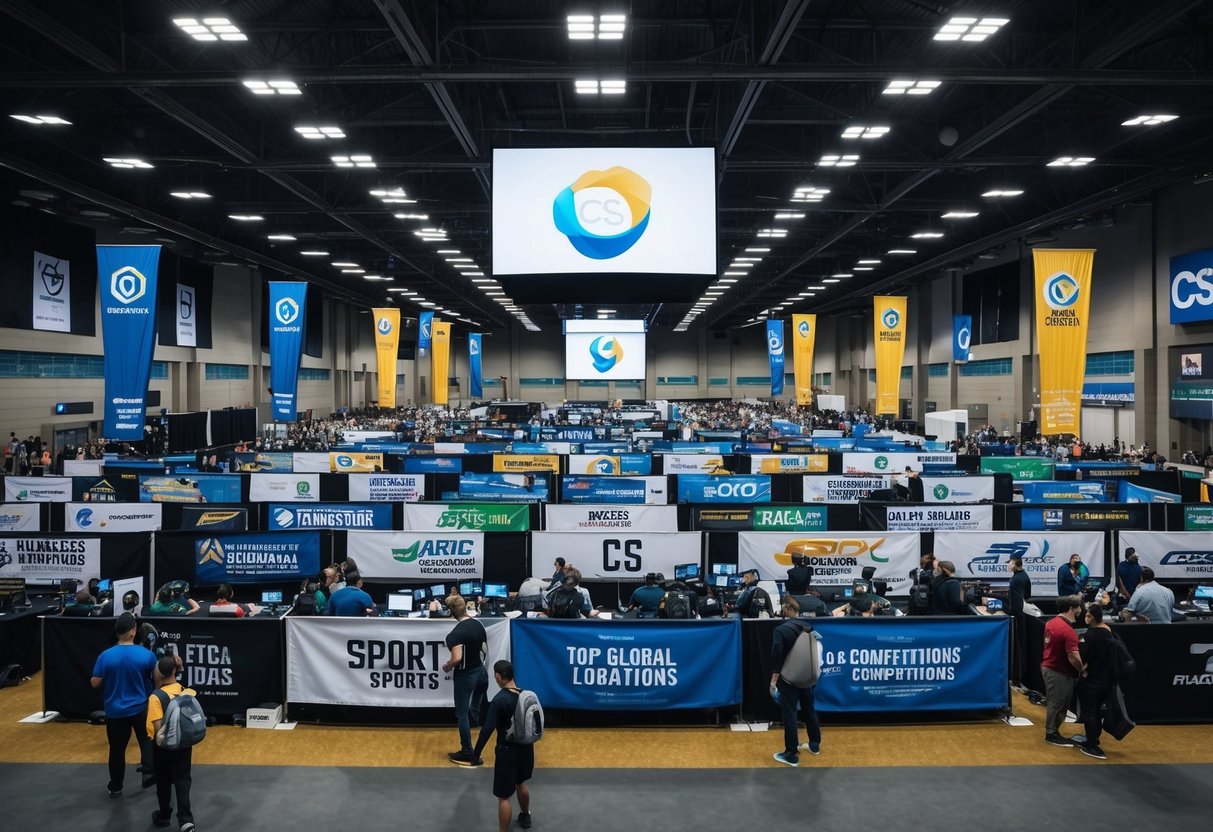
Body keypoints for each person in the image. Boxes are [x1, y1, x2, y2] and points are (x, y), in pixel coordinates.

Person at [90, 612, 157, 797]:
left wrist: (110, 677)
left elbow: (95, 682)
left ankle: (116, 786)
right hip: (140, 708)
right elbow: (157, 679)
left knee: (117, 750)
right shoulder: (146, 655)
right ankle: (149, 775)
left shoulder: (105, 656)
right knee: (146, 740)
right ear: (133, 631)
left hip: (115, 711)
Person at [469, 660, 535, 831]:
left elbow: (487, 730)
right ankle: (526, 814)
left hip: (507, 752)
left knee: (504, 797)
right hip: (527, 749)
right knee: (521, 783)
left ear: (498, 676)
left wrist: (475, 754)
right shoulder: (526, 695)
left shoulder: (499, 700)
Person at [770, 596, 822, 766]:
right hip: (807, 676)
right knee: (809, 708)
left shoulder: (780, 630)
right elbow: (817, 649)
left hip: (788, 677)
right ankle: (814, 744)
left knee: (789, 713)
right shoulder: (808, 627)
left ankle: (791, 753)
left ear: (787, 609)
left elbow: (777, 654)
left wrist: (774, 678)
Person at [146, 654, 196, 831]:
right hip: (184, 744)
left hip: (164, 748)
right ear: (175, 671)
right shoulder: (183, 690)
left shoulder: (155, 697)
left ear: (158, 673)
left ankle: (164, 815)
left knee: (163, 780)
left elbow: (158, 729)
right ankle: (186, 820)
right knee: (183, 779)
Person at [444, 594, 489, 766]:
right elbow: (484, 649)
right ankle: (474, 724)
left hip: (466, 675)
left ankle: (468, 751)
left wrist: (447, 666)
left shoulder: (455, 634)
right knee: (474, 706)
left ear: (451, 612)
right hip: (481, 672)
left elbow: (457, 658)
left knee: (461, 713)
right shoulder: (478, 624)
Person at [1041, 595, 1085, 746]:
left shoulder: (1051, 623)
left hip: (1049, 667)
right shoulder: (1068, 631)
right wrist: (1082, 670)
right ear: (1072, 609)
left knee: (1056, 702)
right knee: (1059, 703)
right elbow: (1073, 656)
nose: (1080, 610)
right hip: (1059, 671)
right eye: (1078, 607)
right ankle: (1051, 733)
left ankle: (1053, 730)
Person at [1076, 603, 1115, 760]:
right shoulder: (1108, 632)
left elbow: (1083, 657)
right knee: (1097, 711)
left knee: (1090, 712)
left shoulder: (1090, 635)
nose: (1086, 618)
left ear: (1093, 617)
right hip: (1106, 679)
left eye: (1088, 616)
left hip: (1092, 679)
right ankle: (1093, 738)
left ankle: (1092, 744)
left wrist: (1082, 670)